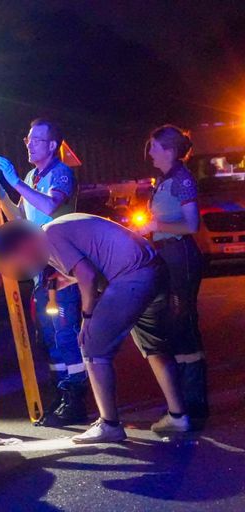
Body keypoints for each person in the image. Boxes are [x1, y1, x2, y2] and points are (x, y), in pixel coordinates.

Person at [0, 214, 191, 444]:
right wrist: (71, 279)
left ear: (23, 245)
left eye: (18, 262)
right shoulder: (55, 230)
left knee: (91, 346)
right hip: (152, 268)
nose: (25, 268)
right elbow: (93, 260)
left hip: (131, 275)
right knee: (155, 348)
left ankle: (109, 425)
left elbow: (87, 275)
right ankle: (179, 416)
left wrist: (88, 317)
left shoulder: (47, 237)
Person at [0, 118, 87, 426]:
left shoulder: (61, 173)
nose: (29, 144)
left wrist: (16, 182)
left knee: (65, 333)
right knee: (48, 336)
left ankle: (76, 399)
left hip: (62, 267)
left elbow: (48, 207)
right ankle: (60, 396)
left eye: (35, 140)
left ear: (51, 145)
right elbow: (22, 215)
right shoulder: (33, 175)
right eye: (28, 139)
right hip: (40, 268)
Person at [136, 125, 208, 422]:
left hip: (181, 258)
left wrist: (155, 227)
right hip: (167, 256)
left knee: (184, 326)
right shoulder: (165, 180)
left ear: (169, 150)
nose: (149, 152)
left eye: (153, 147)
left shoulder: (182, 180)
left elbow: (191, 226)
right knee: (174, 327)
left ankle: (193, 407)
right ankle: (182, 406)